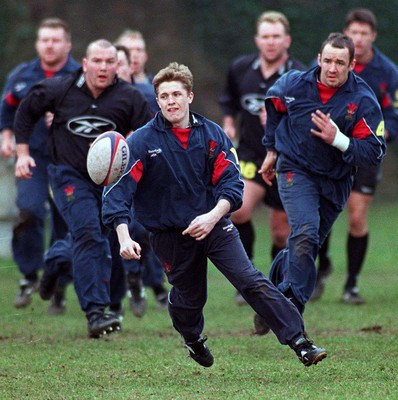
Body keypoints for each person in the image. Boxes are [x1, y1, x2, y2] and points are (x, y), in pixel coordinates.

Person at [102, 62, 327, 368]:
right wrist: (124, 237)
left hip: (214, 225)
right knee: (189, 299)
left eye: (177, 94)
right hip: (171, 236)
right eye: (164, 95)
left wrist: (211, 216)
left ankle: (300, 342)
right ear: (157, 101)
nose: (171, 101)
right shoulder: (141, 142)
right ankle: (192, 338)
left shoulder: (212, 134)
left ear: (189, 96)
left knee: (250, 280)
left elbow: (232, 185)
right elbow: (119, 191)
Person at [13, 39, 152, 337]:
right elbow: (26, 110)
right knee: (90, 232)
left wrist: (123, 145)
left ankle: (54, 260)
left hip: (110, 182)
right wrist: (23, 153)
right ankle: (95, 313)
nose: (103, 67)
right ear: (85, 64)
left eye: (109, 62)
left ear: (118, 66)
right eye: (97, 61)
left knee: (97, 237)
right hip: (68, 177)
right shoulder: (59, 89)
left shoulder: (129, 97)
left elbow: (149, 133)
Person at [258, 33, 386, 321]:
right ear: (318, 59)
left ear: (351, 65)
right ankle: (289, 314)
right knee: (304, 233)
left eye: (340, 63)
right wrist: (271, 149)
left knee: (306, 243)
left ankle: (273, 293)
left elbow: (374, 152)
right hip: (295, 169)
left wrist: (339, 139)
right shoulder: (294, 84)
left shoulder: (363, 100)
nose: (332, 68)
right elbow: (273, 104)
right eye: (327, 60)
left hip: (335, 181)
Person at [219, 11, 306, 309]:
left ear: (287, 40)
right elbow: (229, 99)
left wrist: (282, 118)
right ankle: (247, 277)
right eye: (265, 36)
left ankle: (275, 282)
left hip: (286, 159)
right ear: (258, 40)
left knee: (281, 233)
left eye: (276, 36)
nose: (270, 42)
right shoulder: (241, 68)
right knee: (239, 210)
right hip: (251, 155)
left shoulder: (298, 76)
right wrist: (229, 122)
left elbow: (309, 120)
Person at [311, 9, 398, 304]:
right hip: (328, 151)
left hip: (362, 152)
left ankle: (351, 284)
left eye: (364, 33)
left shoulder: (387, 73)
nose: (358, 38)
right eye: (353, 33)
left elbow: (393, 113)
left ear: (373, 36)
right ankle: (321, 269)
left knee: (357, 216)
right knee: (322, 214)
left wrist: (383, 133)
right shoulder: (326, 64)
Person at [0, 17, 80, 313]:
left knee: (66, 220)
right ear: (37, 43)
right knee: (29, 210)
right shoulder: (22, 75)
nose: (49, 45)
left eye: (55, 39)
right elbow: (7, 109)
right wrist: (6, 137)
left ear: (67, 44)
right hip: (31, 156)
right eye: (44, 39)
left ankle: (59, 283)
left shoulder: (81, 76)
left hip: (70, 160)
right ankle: (29, 275)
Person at [115, 44, 168, 316]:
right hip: (114, 175)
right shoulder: (98, 99)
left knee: (146, 229)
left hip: (146, 172)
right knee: (123, 227)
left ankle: (153, 282)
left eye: (125, 62)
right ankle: (132, 283)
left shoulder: (148, 95)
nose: (122, 66)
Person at [115, 30, 158, 114]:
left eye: (138, 50)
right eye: (128, 50)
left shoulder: (159, 87)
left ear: (145, 56)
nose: (134, 54)